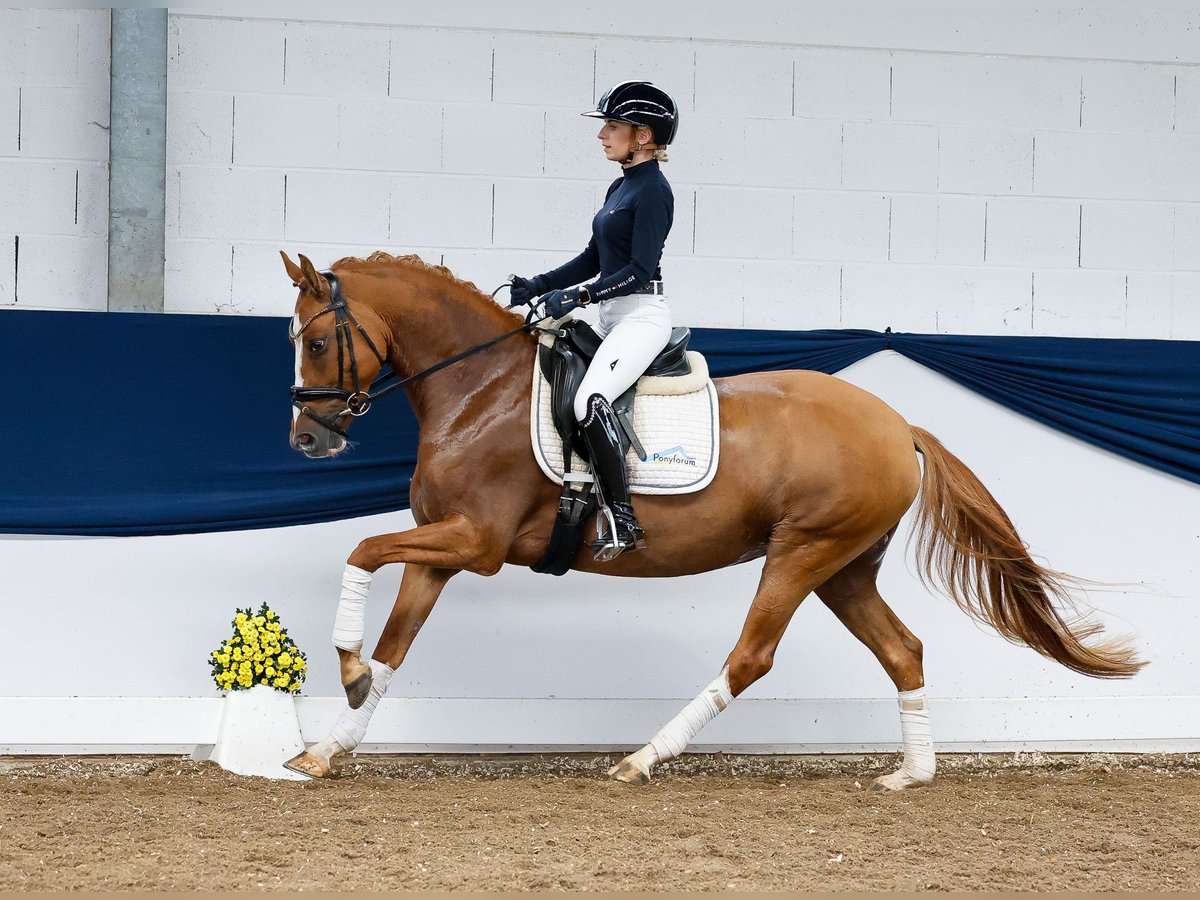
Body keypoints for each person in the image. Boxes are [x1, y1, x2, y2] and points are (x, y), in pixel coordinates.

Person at [511, 80, 678, 560]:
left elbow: (637, 271)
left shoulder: (655, 192)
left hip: (641, 317)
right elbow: (593, 257)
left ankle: (624, 520)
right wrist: (540, 284)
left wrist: (579, 295)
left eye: (612, 126)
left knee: (591, 399)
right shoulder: (620, 185)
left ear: (642, 135)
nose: (602, 134)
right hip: (610, 315)